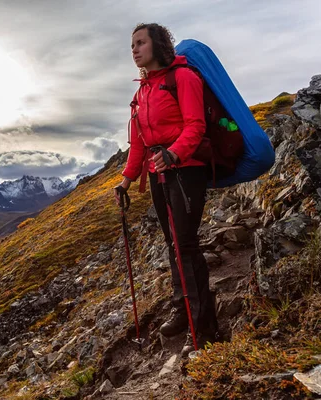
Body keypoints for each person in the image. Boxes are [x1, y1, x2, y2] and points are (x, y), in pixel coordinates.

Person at [114, 23, 218, 356]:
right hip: (159, 174)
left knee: (185, 244)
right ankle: (181, 308)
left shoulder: (183, 78)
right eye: (131, 45)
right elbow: (139, 143)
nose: (134, 49)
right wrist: (127, 180)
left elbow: (196, 126)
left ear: (158, 45)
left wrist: (174, 153)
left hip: (186, 171)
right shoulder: (142, 91)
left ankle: (204, 326)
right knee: (173, 243)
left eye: (140, 43)